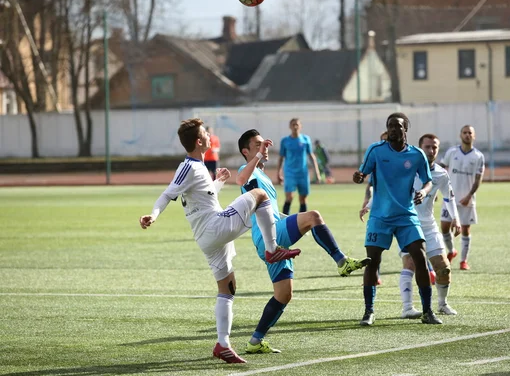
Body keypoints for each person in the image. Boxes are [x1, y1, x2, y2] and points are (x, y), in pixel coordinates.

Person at [138, 118, 301, 364]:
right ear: (198, 141)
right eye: (205, 133)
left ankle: (222, 344)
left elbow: (202, 198)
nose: (209, 135)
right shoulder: (188, 167)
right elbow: (168, 193)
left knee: (228, 287)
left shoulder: (200, 166)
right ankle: (271, 249)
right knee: (259, 194)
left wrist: (219, 182)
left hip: (208, 236)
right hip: (214, 227)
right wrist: (154, 214)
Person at [237, 129, 371, 354]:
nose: (264, 148)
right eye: (258, 145)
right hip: (266, 238)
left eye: (264, 145)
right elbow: (242, 180)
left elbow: (267, 212)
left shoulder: (262, 176)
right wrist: (258, 157)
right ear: (246, 151)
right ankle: (341, 261)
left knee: (283, 295)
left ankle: (255, 340)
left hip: (271, 240)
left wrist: (289, 220)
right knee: (313, 216)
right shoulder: (246, 170)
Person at [353, 112, 442, 326]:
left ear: (405, 130)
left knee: (420, 257)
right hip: (380, 217)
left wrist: (423, 191)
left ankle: (427, 311)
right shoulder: (375, 150)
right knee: (372, 263)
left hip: (406, 215)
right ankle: (369, 311)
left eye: (398, 126)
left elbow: (428, 181)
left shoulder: (416, 154)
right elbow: (362, 174)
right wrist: (358, 177)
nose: (393, 129)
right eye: (390, 126)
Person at [361, 134, 462, 318]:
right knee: (410, 263)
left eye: (434, 147)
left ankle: (442, 303)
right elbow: (387, 188)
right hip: (406, 222)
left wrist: (455, 218)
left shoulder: (441, 174)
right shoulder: (406, 166)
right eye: (427, 147)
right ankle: (408, 308)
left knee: (443, 267)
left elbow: (449, 197)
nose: (431, 151)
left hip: (429, 225)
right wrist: (368, 205)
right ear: (420, 148)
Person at [440, 125, 485, 271]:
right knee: (444, 227)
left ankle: (463, 261)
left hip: (467, 200)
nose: (467, 135)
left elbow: (478, 179)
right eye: (464, 133)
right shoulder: (452, 152)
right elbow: (441, 169)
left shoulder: (478, 156)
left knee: (465, 229)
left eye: (470, 133)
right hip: (449, 198)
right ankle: (452, 250)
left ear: (474, 136)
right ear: (460, 135)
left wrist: (469, 196)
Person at [277, 118, 321, 214]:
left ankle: (302, 222)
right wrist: (278, 173)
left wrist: (317, 173)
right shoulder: (285, 141)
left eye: (297, 124)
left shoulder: (305, 139)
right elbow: (281, 157)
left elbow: (311, 156)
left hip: (302, 173)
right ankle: (284, 221)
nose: (295, 127)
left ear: (300, 126)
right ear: (290, 126)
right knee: (289, 197)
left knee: (303, 198)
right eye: (293, 124)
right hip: (289, 173)